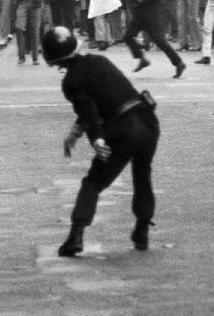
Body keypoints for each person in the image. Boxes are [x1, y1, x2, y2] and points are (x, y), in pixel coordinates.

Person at [43, 26, 160, 257]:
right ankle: (142, 229)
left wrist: (97, 140)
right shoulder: (99, 61)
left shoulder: (70, 82)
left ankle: (76, 235)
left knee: (93, 182)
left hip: (122, 130)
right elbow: (103, 98)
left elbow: (89, 111)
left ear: (54, 60)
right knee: (142, 174)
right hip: (147, 121)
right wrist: (75, 133)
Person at [123, 0, 186, 78]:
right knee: (128, 36)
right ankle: (142, 59)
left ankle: (179, 63)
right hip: (139, 15)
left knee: (160, 41)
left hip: (151, 15)